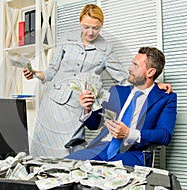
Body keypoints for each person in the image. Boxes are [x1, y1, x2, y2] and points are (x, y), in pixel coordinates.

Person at [23, 4, 172, 157]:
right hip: (52, 103)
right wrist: (34, 73)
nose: (90, 32)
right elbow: (51, 71)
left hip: (78, 106)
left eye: (96, 28)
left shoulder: (105, 49)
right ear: (80, 22)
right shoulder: (66, 38)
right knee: (41, 151)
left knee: (66, 155)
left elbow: (122, 77)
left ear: (102, 26)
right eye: (86, 26)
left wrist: (152, 84)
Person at [65, 47, 177, 167]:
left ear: (150, 72)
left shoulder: (166, 98)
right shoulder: (117, 91)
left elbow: (164, 135)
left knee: (107, 177)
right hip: (101, 149)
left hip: (131, 154)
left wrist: (129, 133)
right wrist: (87, 109)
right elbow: (95, 124)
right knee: (63, 166)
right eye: (131, 64)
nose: (129, 69)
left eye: (135, 65)